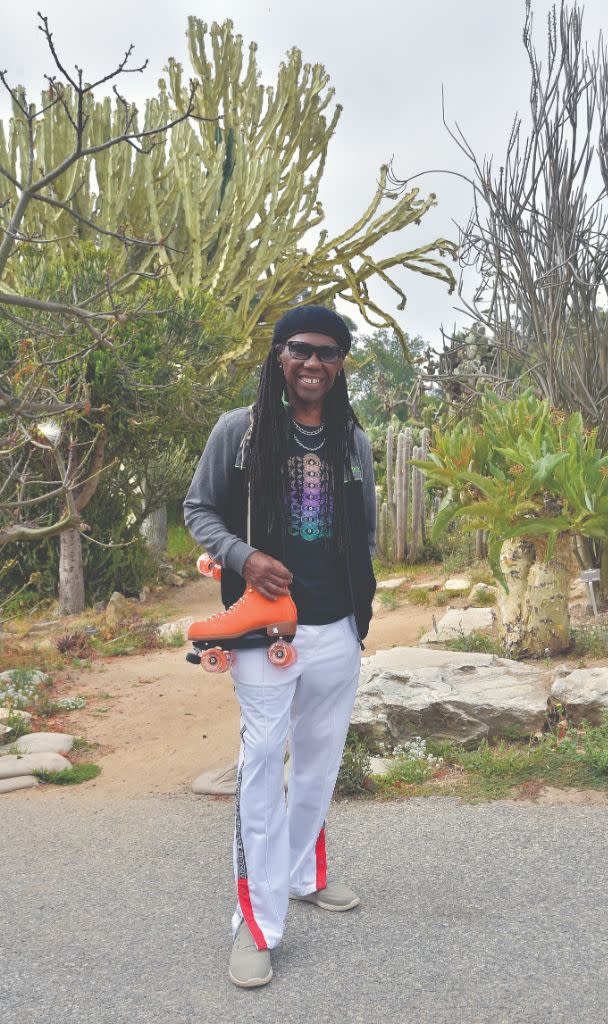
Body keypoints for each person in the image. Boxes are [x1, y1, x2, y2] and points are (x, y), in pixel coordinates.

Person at [183, 304, 376, 988]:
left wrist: (362, 614)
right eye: (300, 349)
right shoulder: (237, 432)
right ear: (278, 355)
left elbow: (367, 529)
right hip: (264, 630)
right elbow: (197, 509)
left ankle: (301, 875)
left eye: (327, 352)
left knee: (319, 764)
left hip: (336, 629)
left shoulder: (351, 437)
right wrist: (242, 554)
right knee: (262, 765)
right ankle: (256, 926)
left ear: (340, 362)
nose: (313, 363)